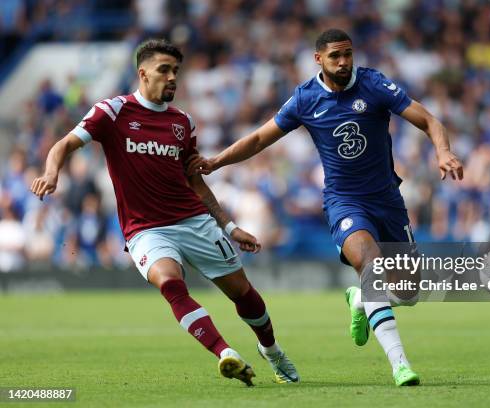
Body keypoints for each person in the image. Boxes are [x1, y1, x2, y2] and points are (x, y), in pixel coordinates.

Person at [187, 29, 464, 386]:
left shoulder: (374, 84)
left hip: (388, 202)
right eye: (335, 56)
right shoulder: (305, 99)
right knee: (372, 266)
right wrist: (217, 162)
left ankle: (360, 300)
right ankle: (400, 365)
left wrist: (443, 151)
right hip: (344, 202)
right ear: (319, 59)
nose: (344, 62)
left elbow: (429, 120)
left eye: (348, 54)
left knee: (409, 292)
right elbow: (258, 138)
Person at [30, 39, 299, 386]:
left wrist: (230, 227)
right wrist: (52, 172)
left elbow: (197, 183)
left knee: (243, 294)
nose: (172, 77)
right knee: (170, 283)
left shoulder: (182, 122)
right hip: (145, 230)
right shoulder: (112, 111)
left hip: (195, 221)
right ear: (143, 73)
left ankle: (272, 351)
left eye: (175, 71)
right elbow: (64, 144)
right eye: (164, 70)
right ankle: (225, 353)